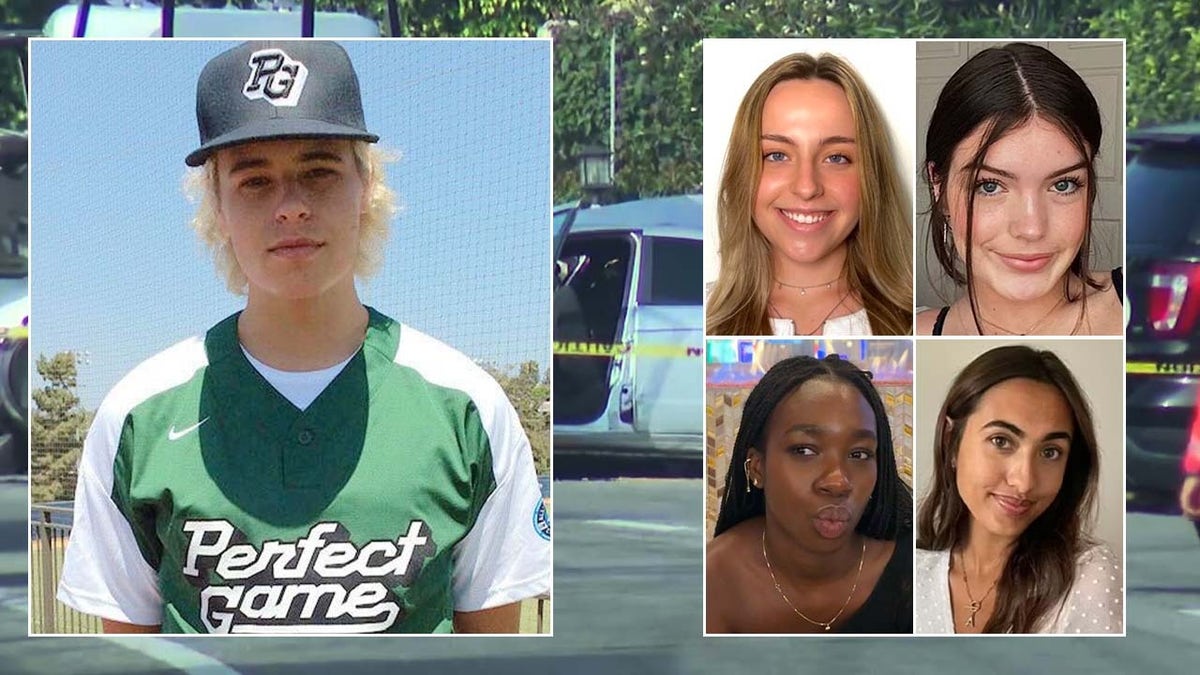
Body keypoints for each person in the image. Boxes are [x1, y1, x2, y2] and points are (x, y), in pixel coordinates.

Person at [56, 40, 550, 634]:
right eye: (254, 180)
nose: (290, 207)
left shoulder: (468, 407)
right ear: (215, 203)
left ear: (366, 187)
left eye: (318, 172)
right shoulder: (136, 416)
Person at [916, 43, 1123, 336]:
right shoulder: (916, 332)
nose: (1031, 228)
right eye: (989, 186)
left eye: (1063, 185)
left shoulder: (1160, 307)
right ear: (939, 185)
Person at [914, 345, 1122, 633]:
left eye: (1050, 452)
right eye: (1001, 441)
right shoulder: (911, 574)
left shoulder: (1087, 577)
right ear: (951, 442)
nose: (1024, 482)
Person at [706, 52, 911, 336]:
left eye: (836, 158)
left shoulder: (915, 324)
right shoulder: (697, 320)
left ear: (871, 179)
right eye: (777, 155)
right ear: (742, 174)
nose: (806, 187)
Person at [706, 354, 913, 634]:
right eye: (805, 450)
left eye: (859, 454)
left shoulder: (914, 570)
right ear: (757, 467)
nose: (838, 482)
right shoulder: (713, 581)